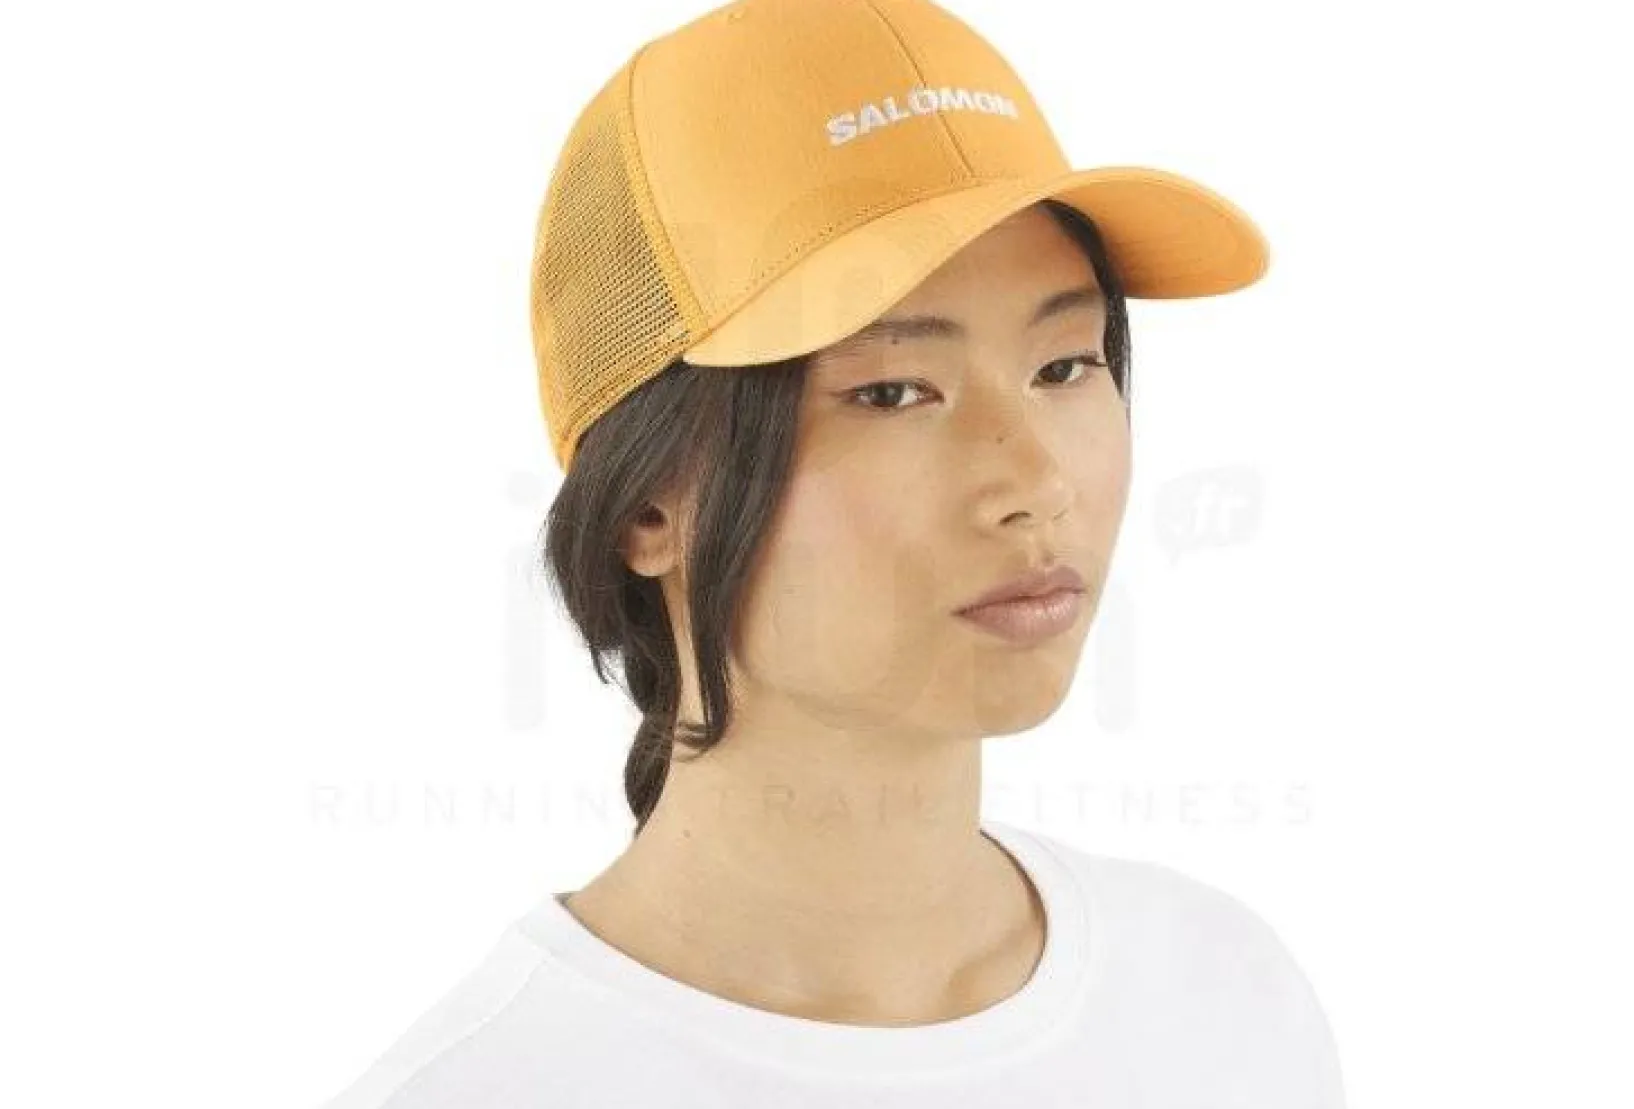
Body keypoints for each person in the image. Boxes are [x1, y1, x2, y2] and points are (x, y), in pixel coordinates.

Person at [322, 0, 1345, 1104]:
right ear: (644, 506)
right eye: (893, 391)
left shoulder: (1222, 1001)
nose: (1038, 483)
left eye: (1063, 365)